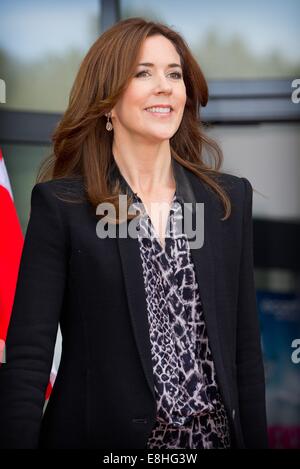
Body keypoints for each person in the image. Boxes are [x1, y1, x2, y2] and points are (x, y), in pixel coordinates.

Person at [0, 17, 268, 449]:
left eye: (174, 74)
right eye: (143, 73)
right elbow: (29, 360)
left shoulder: (226, 201)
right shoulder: (63, 206)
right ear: (107, 100)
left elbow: (245, 355)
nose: (165, 86)